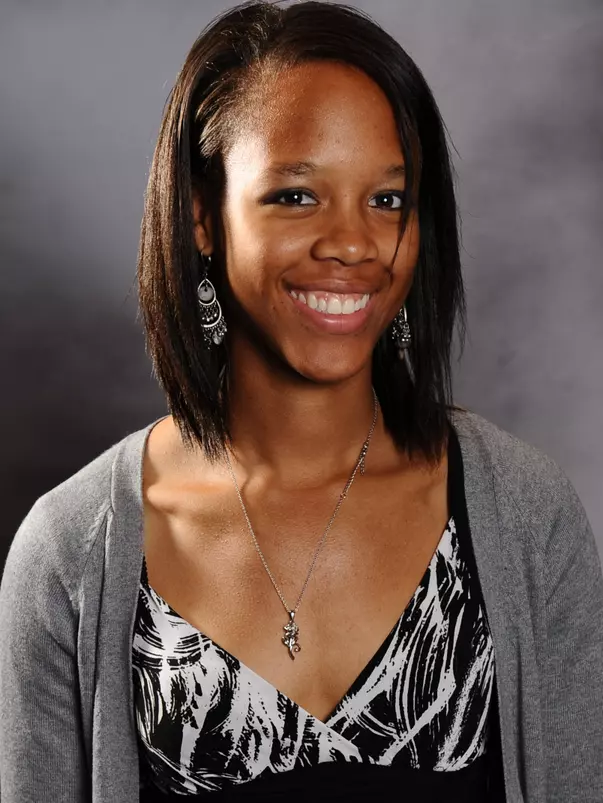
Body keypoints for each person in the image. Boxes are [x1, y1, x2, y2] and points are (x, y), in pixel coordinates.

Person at [1, 1, 602, 801]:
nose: (352, 244)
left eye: (387, 200)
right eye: (295, 195)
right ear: (201, 218)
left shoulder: (526, 514)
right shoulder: (71, 555)